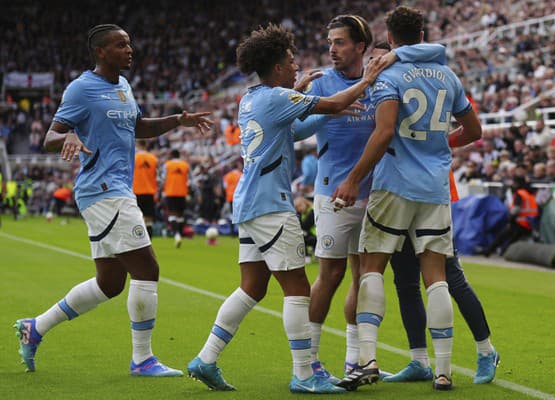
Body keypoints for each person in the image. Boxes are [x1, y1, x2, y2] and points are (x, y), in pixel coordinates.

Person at [185, 23, 386, 394]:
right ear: (277, 66)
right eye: (291, 61)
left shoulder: (252, 97)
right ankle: (305, 374)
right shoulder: (279, 96)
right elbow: (337, 102)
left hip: (248, 203)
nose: (297, 67)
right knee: (298, 288)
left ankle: (206, 359)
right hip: (272, 205)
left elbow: (293, 131)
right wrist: (367, 79)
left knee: (252, 287)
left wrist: (318, 107)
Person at [14, 24, 212, 377]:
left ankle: (36, 327)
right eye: (121, 45)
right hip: (104, 190)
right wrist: (69, 135)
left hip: (115, 189)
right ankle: (142, 360)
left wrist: (178, 120)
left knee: (110, 283)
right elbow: (49, 137)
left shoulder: (123, 86)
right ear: (101, 52)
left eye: (129, 43)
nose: (129, 49)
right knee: (148, 269)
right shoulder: (81, 88)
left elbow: (139, 128)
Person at [332, 6, 482, 391]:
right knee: (437, 279)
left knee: (372, 269)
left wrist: (352, 179)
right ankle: (444, 370)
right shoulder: (448, 76)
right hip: (434, 188)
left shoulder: (388, 73)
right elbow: (473, 129)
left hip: (395, 183)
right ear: (422, 33)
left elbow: (383, 133)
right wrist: (439, 146)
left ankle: (366, 360)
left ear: (391, 37)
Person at [369, 42, 499, 386]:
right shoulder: (391, 86)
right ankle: (418, 360)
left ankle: (486, 350)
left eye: (380, 56)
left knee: (449, 277)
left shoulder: (399, 78)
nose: (375, 62)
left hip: (430, 190)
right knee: (406, 281)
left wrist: (440, 143)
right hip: (406, 188)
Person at [292, 14, 381, 383]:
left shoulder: (380, 81)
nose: (332, 49)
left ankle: (354, 359)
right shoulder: (321, 83)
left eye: (340, 42)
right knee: (330, 274)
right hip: (332, 195)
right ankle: (310, 359)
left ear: (361, 46)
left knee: (364, 277)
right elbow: (294, 131)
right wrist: (304, 99)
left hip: (375, 195)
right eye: (330, 42)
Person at [483, 176, 539, 257]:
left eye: (513, 183)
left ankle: (489, 251)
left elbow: (516, 210)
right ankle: (502, 252)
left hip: (520, 223)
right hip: (529, 224)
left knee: (502, 236)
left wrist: (510, 221)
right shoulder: (528, 194)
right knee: (512, 239)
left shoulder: (520, 194)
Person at [163, 149, 191, 248]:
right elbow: (190, 180)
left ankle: (177, 235)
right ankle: (180, 234)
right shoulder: (185, 165)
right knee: (180, 216)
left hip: (170, 192)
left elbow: (163, 178)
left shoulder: (167, 165)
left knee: (172, 214)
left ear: (171, 155)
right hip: (182, 193)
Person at [133, 140, 158, 238]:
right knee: (149, 220)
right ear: (146, 145)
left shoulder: (134, 157)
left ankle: (139, 242)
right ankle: (149, 242)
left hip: (136, 191)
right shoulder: (153, 158)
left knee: (136, 218)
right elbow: (158, 176)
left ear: (138, 145)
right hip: (149, 191)